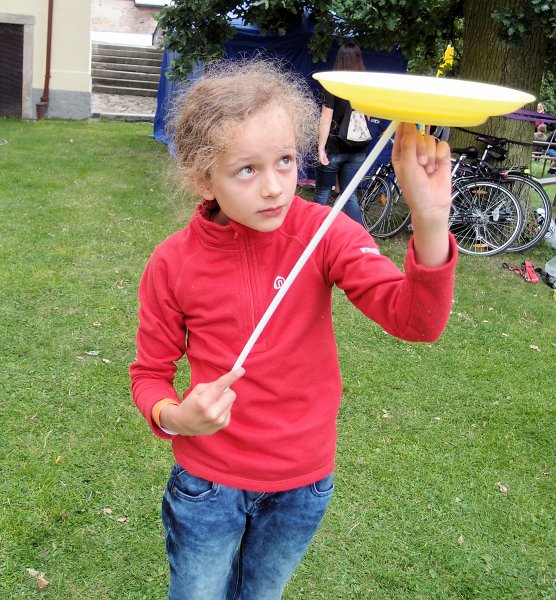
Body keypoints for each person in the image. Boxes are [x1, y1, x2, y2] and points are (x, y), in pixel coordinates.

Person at [130, 58, 457, 600]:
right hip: (208, 483)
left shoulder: (325, 232)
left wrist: (430, 219)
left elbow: (415, 321)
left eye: (284, 161)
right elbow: (149, 374)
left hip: (302, 486)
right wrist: (175, 416)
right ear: (201, 177)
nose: (274, 188)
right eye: (247, 170)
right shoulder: (172, 263)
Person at [314, 42, 370, 224]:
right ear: (359, 59)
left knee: (323, 192)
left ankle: (314, 233)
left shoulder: (333, 84)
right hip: (358, 148)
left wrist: (321, 148)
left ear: (339, 59)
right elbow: (368, 117)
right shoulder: (365, 86)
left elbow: (326, 117)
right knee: (349, 195)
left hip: (334, 146)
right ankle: (360, 235)